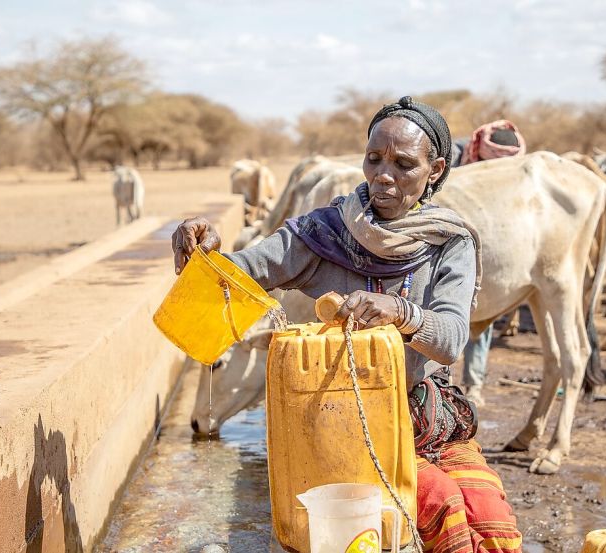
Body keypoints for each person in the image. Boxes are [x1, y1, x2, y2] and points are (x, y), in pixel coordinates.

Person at [172, 96, 521, 553]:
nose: (383, 175)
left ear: (435, 169)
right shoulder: (324, 233)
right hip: (347, 424)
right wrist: (207, 250)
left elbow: (452, 340)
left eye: (403, 164)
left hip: (428, 419)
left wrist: (402, 312)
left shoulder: (449, 242)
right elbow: (242, 271)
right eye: (374, 158)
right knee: (443, 509)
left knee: (494, 526)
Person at [453, 120, 527, 408]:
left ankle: (473, 384)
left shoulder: (511, 170)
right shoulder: (455, 158)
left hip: (489, 247)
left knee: (482, 312)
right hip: (450, 244)